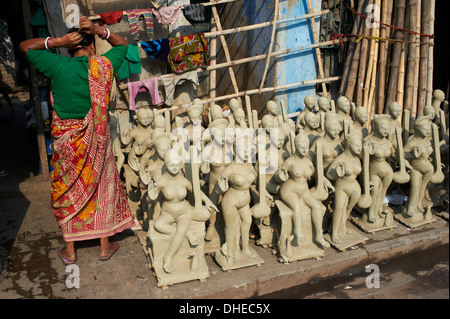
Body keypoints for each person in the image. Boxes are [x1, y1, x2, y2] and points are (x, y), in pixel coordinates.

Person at [19, 17, 135, 265]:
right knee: (100, 184)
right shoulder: (103, 65)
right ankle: (104, 246)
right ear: (92, 47)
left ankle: (70, 252)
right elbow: (123, 44)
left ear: (68, 49)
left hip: (66, 145)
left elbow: (25, 47)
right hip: (96, 141)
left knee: (66, 189)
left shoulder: (57, 65)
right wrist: (98, 30)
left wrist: (55, 41)